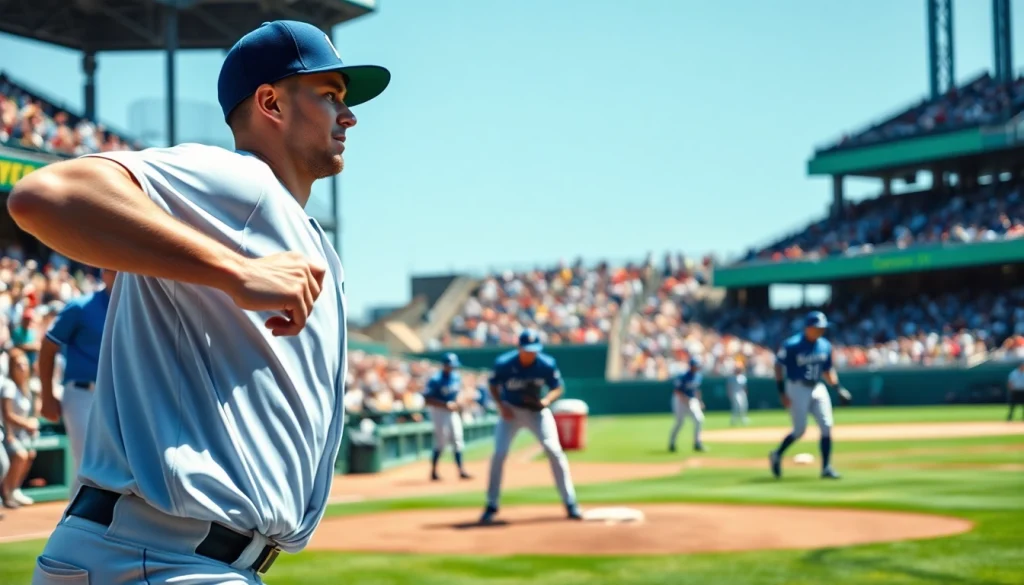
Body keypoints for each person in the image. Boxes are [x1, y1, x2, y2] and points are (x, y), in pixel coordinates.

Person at [10, 19, 389, 585]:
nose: (349, 114)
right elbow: (45, 195)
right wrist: (235, 271)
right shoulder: (243, 181)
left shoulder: (292, 225)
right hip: (157, 555)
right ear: (271, 103)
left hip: (171, 556)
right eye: (330, 96)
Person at [480, 329, 582, 524]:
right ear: (519, 348)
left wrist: (545, 401)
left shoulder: (546, 364)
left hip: (536, 412)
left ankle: (570, 503)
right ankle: (491, 504)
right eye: (527, 350)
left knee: (554, 450)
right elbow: (493, 385)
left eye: (534, 350)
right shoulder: (504, 363)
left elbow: (558, 387)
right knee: (499, 454)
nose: (531, 353)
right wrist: (501, 406)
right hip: (510, 412)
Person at [38, 268, 116, 498]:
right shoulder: (81, 306)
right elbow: (48, 347)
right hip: (83, 393)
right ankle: (75, 524)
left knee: (117, 465)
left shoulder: (135, 309)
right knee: (86, 463)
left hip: (118, 395)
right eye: (109, 267)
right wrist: (47, 396)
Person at [768, 311, 847, 480]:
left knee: (827, 425)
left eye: (823, 328)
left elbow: (827, 370)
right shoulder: (792, 344)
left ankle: (826, 467)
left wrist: (838, 388)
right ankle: (777, 454)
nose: (821, 330)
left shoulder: (825, 345)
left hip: (817, 386)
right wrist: (782, 391)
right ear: (807, 327)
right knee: (799, 430)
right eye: (817, 327)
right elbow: (778, 367)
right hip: (797, 387)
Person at [422, 353, 472, 481]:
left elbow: (458, 392)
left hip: (452, 411)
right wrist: (444, 404)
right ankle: (433, 472)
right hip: (438, 411)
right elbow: (427, 399)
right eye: (450, 366)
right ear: (444, 365)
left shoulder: (456, 377)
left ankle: (461, 470)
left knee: (457, 438)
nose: (453, 368)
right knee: (441, 442)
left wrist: (458, 401)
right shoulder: (435, 379)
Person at [1, 348, 41, 509]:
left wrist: (32, 422)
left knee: (30, 454)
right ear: (11, 367)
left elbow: (34, 411)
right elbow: (7, 415)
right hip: (7, 433)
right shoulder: (9, 386)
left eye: (24, 364)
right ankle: (7, 492)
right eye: (18, 365)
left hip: (22, 434)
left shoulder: (27, 387)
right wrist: (23, 425)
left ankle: (15, 489)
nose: (23, 368)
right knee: (20, 455)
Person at [668, 355, 706, 452]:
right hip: (680, 400)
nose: (697, 367)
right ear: (691, 365)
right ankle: (672, 442)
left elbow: (696, 390)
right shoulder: (683, 376)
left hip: (691, 400)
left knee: (699, 419)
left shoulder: (698, 376)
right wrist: (685, 400)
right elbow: (677, 391)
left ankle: (697, 443)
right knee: (680, 422)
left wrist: (700, 401)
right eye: (695, 365)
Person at [727, 360, 750, 426]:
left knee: (744, 406)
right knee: (737, 406)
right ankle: (733, 420)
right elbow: (729, 386)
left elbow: (744, 387)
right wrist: (729, 393)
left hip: (742, 393)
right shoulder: (731, 377)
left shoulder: (743, 377)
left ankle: (743, 418)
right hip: (735, 393)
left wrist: (746, 392)